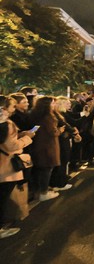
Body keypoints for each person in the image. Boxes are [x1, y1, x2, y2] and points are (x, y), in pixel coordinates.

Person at [0, 96, 35, 239]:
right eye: (12, 106)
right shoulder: (7, 124)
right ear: (4, 108)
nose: (13, 109)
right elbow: (11, 146)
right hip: (5, 166)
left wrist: (20, 134)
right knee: (2, 198)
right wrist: (28, 138)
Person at [29, 96, 64, 201]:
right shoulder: (49, 117)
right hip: (48, 147)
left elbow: (34, 129)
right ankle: (43, 193)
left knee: (40, 170)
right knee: (47, 170)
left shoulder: (35, 115)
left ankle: (39, 191)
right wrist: (60, 130)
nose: (54, 105)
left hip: (38, 145)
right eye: (52, 103)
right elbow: (53, 132)